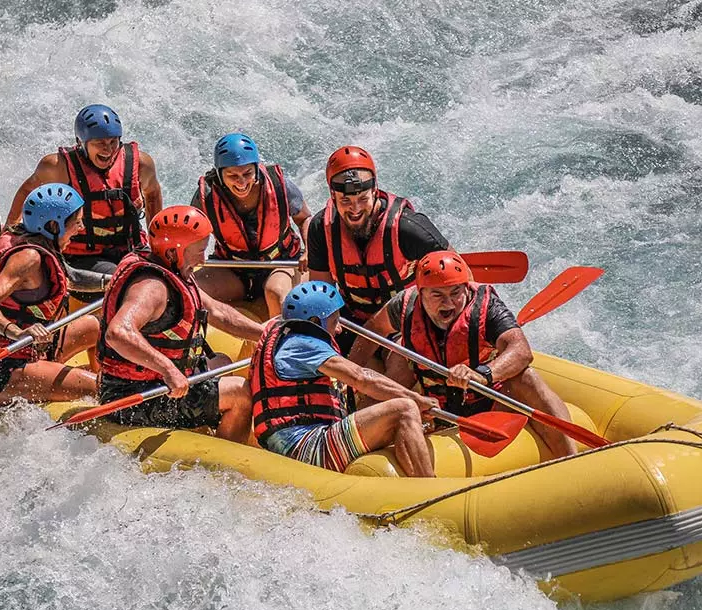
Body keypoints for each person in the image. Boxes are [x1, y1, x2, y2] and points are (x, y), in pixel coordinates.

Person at [364, 251, 577, 458]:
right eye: (437, 295)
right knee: (398, 366)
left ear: (466, 289)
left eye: (455, 293)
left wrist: (482, 374)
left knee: (527, 377)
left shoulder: (487, 306)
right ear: (421, 293)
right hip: (436, 409)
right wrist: (349, 377)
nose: (448, 303)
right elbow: (373, 329)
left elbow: (521, 351)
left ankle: (570, 458)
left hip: (490, 401)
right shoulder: (405, 305)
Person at [97, 205, 264, 440]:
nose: (203, 260)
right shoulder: (152, 288)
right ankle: (227, 456)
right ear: (173, 252)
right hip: (137, 399)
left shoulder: (172, 270)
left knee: (221, 361)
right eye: (199, 251)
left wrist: (266, 333)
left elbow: (217, 311)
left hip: (152, 384)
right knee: (241, 393)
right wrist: (168, 370)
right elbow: (117, 333)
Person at [250, 281, 438, 476]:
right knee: (405, 409)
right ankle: (429, 485)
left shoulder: (284, 338)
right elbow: (362, 378)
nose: (339, 329)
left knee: (404, 418)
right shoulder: (302, 344)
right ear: (315, 321)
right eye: (334, 321)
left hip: (288, 445)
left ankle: (410, 480)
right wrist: (416, 399)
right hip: (306, 447)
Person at [306, 145, 450, 354]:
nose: (355, 209)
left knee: (395, 358)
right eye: (346, 201)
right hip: (353, 320)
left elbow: (456, 279)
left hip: (404, 321)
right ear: (333, 195)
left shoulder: (408, 228)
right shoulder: (321, 228)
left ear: (374, 190)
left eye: (362, 199)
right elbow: (322, 292)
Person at [6, 104, 163, 288]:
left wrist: (157, 245)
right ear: (81, 143)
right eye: (100, 143)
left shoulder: (141, 164)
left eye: (113, 142)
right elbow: (27, 192)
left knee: (162, 273)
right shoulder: (57, 166)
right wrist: (9, 234)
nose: (108, 150)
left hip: (131, 249)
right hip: (81, 256)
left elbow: (153, 194)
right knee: (126, 277)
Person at [0, 184, 99, 404]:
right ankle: (99, 390)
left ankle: (97, 380)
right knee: (99, 388)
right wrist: (17, 332)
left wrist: (115, 279)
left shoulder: (34, 239)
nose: (81, 228)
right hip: (6, 367)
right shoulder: (28, 258)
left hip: (36, 348)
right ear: (53, 225)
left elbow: (71, 278)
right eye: (77, 222)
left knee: (94, 326)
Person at [191, 133, 314, 318]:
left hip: (280, 262)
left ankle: (279, 334)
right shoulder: (207, 196)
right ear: (220, 174)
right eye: (232, 175)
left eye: (247, 173)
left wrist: (309, 250)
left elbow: (304, 219)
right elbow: (192, 235)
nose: (241, 182)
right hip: (233, 268)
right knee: (189, 289)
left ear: (256, 168)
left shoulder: (279, 186)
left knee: (275, 292)